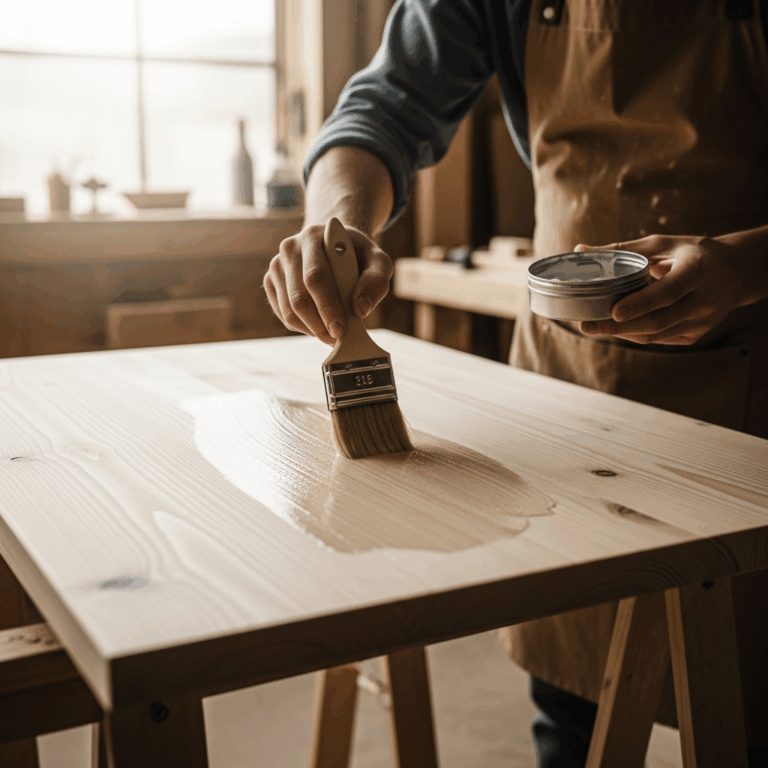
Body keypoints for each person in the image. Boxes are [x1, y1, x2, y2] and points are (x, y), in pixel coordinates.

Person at [265, 1, 768, 764]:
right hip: (569, 391)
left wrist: (746, 265)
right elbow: (381, 112)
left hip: (750, 404)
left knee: (742, 702)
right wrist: (338, 226)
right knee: (575, 708)